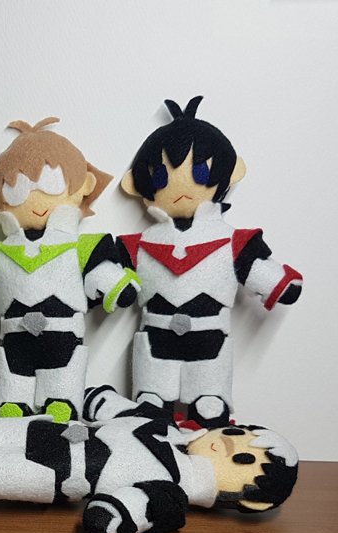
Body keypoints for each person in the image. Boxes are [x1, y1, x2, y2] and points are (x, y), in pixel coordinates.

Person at [0, 385, 298, 533]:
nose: (227, 443)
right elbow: (106, 403)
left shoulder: (173, 489)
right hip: (56, 430)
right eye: (239, 433)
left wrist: (115, 517)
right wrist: (102, 400)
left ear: (253, 500)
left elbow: (134, 509)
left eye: (244, 458)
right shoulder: (166, 426)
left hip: (63, 475)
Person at [118, 97, 302, 427]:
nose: (181, 187)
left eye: (200, 171)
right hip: (155, 341)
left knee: (209, 409)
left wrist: (277, 282)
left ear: (230, 172)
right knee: (151, 409)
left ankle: (208, 420)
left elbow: (258, 269)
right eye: (160, 177)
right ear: (137, 184)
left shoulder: (233, 241)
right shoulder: (140, 244)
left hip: (210, 342)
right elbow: (108, 276)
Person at [0, 118, 139, 422]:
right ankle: (12, 406)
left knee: (61, 402)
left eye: (51, 185)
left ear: (84, 185)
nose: (34, 200)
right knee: (10, 402)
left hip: (63, 337)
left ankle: (60, 404)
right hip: (14, 339)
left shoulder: (83, 248)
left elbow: (100, 275)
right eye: (16, 191)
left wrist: (116, 285)